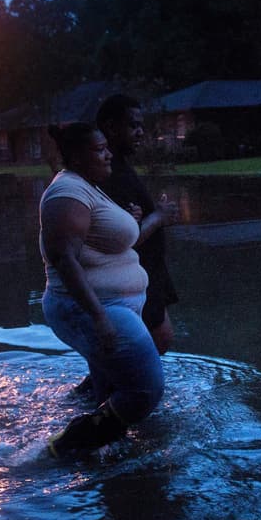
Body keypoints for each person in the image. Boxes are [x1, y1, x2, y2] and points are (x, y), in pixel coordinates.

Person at [39, 122, 164, 456]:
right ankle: (64, 448)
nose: (109, 154)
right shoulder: (68, 191)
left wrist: (129, 221)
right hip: (97, 308)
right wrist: (99, 317)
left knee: (111, 387)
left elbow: (99, 240)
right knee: (145, 390)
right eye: (100, 149)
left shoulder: (85, 186)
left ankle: (105, 454)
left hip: (114, 305)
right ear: (78, 156)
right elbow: (64, 258)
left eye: (108, 146)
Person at [95, 94, 181, 352]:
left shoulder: (119, 166)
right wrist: (159, 217)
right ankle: (104, 391)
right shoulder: (109, 173)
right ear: (111, 128)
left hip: (147, 272)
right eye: (133, 125)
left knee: (149, 341)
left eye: (141, 125)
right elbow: (122, 236)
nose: (141, 132)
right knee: (156, 339)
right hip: (134, 276)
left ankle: (101, 390)